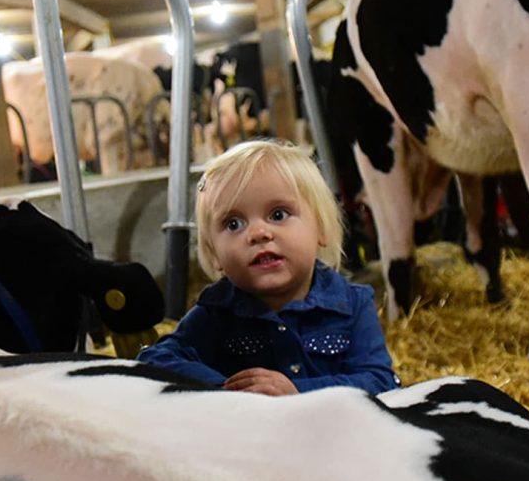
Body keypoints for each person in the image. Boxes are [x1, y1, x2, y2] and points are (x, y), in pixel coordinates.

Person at [139, 139, 399, 396]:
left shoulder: (353, 305)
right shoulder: (216, 313)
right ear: (214, 253)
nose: (258, 233)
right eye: (233, 224)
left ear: (320, 227)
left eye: (278, 215)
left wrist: (299, 391)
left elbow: (379, 381)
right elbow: (155, 358)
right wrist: (227, 390)